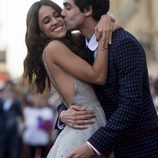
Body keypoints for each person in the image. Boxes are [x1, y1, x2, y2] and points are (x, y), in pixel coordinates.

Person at [55, 0, 158, 157]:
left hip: (139, 147)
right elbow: (76, 93)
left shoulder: (124, 43)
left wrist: (93, 146)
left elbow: (131, 103)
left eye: (67, 7)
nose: (62, 13)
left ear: (87, 9)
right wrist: (63, 114)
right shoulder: (79, 48)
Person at [22, 0, 118, 157]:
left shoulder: (72, 43)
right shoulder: (54, 48)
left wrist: (106, 18)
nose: (55, 22)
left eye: (56, 15)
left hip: (88, 124)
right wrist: (105, 34)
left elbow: (98, 27)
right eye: (46, 21)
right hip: (86, 127)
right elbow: (98, 76)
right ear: (40, 32)